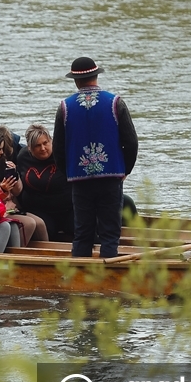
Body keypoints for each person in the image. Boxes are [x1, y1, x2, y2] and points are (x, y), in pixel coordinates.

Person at [53, 56, 138, 258]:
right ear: (96, 76)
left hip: (79, 179)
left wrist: (69, 173)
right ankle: (108, 273)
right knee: (110, 231)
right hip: (111, 176)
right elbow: (131, 141)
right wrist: (125, 170)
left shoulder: (65, 107)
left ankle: (80, 276)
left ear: (75, 80)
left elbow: (58, 148)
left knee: (82, 232)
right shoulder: (115, 102)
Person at [15, 124, 75, 240]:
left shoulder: (63, 154)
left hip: (68, 208)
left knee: (80, 229)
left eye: (45, 143)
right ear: (29, 148)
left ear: (51, 141)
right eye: (37, 146)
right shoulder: (23, 157)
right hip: (39, 210)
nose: (43, 148)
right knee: (46, 231)